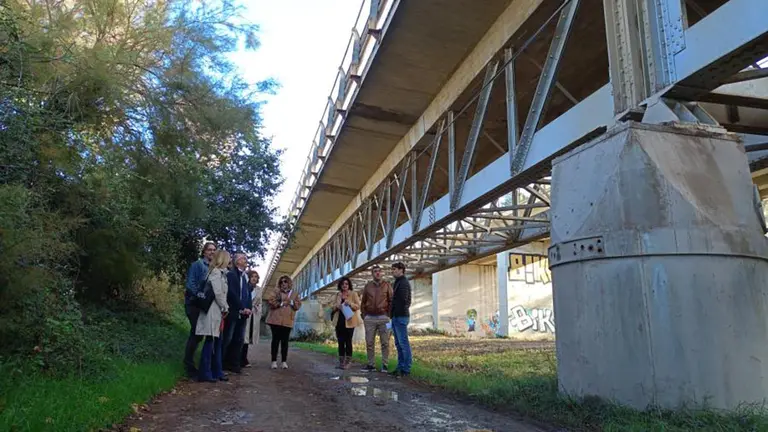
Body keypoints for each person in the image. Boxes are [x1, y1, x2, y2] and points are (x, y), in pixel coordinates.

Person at [196, 250, 231, 382]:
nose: (229, 261)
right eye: (228, 258)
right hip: (212, 310)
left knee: (217, 341)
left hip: (217, 311)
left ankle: (216, 371)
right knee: (210, 341)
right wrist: (225, 306)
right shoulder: (216, 273)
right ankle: (205, 372)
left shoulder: (221, 273)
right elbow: (218, 293)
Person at [183, 241, 216, 378]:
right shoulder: (197, 265)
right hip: (193, 304)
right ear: (204, 251)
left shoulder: (213, 268)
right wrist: (199, 295)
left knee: (199, 334)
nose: (212, 252)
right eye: (209, 250)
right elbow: (190, 284)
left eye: (214, 250)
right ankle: (188, 365)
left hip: (203, 306)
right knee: (196, 333)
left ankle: (192, 363)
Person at [360, 264, 393, 372]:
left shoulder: (387, 285)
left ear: (381, 273)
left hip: (384, 317)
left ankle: (385, 365)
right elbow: (363, 302)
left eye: (379, 271)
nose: (377, 273)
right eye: (375, 271)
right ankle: (371, 365)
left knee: (385, 343)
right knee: (369, 342)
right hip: (370, 318)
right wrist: (364, 316)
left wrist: (389, 315)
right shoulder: (368, 286)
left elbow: (391, 300)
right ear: (372, 274)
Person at [223, 253, 252, 373]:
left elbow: (247, 294)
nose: (246, 261)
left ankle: (234, 364)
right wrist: (241, 307)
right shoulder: (231, 274)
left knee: (239, 339)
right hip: (233, 311)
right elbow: (232, 293)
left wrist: (248, 308)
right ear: (236, 262)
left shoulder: (245, 276)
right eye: (243, 259)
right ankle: (221, 364)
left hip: (243, 313)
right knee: (227, 338)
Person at [266, 275, 302, 369]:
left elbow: (298, 306)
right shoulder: (275, 292)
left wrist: (291, 302)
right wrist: (282, 303)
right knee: (275, 340)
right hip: (275, 320)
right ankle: (273, 361)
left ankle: (284, 361)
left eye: (285, 281)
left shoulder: (294, 294)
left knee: (285, 341)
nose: (283, 283)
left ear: (289, 282)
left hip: (287, 320)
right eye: (281, 282)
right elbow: (270, 301)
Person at [332, 277, 362, 370]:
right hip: (339, 321)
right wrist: (337, 306)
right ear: (340, 285)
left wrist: (350, 304)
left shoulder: (353, 294)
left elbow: (358, 306)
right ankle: (341, 362)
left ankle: (348, 362)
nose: (344, 285)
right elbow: (332, 307)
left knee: (348, 341)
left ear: (349, 285)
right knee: (340, 342)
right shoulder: (338, 294)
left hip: (349, 321)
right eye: (343, 284)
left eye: (346, 284)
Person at [389, 261, 412, 377]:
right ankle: (400, 367)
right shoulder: (398, 282)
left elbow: (404, 300)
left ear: (401, 270)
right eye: (392, 269)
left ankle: (406, 369)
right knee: (399, 344)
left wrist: (395, 310)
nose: (392, 271)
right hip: (396, 316)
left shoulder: (403, 282)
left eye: (394, 269)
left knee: (403, 343)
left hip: (401, 316)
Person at [241, 270, 264, 368]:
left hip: (254, 314)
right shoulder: (244, 287)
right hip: (245, 313)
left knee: (248, 336)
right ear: (249, 278)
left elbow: (260, 303)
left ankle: (244, 358)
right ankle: (240, 358)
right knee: (243, 336)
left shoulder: (259, 289)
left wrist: (258, 311)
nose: (254, 278)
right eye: (252, 276)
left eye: (256, 277)